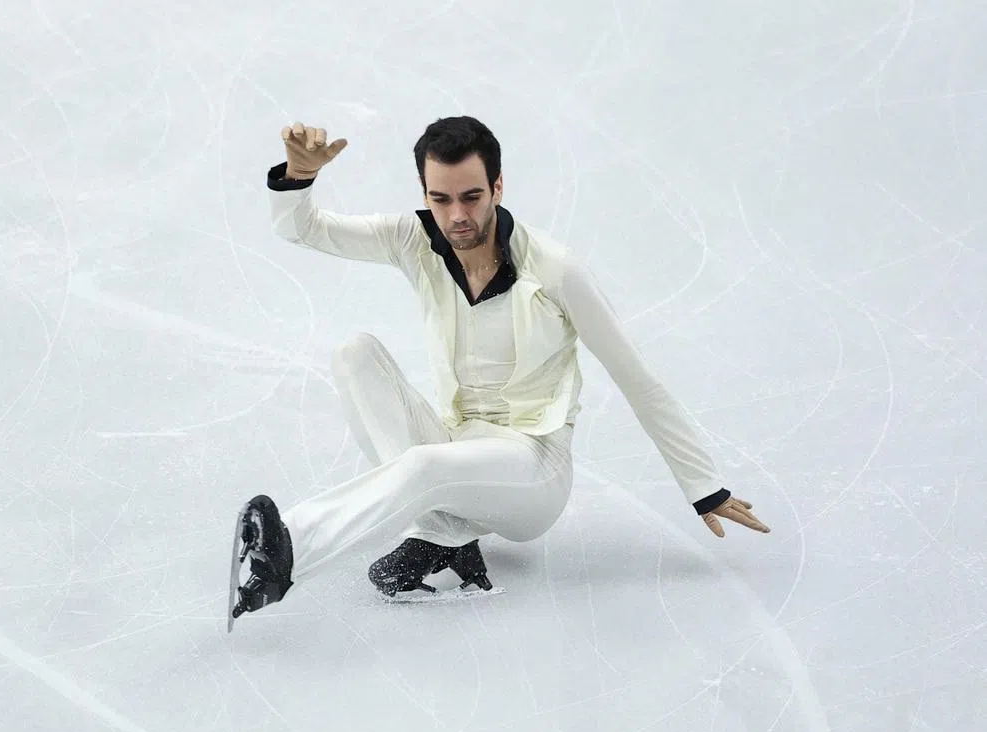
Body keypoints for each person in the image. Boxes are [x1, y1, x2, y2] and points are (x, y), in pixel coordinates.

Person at [229, 116, 770, 622]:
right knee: (354, 355)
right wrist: (299, 177)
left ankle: (290, 548)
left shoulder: (555, 268)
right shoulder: (413, 239)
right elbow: (305, 230)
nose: (457, 216)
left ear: (498, 188)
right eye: (440, 199)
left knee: (424, 468)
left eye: (471, 196)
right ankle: (443, 534)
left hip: (532, 469)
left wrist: (704, 487)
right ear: (424, 194)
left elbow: (637, 377)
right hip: (459, 444)